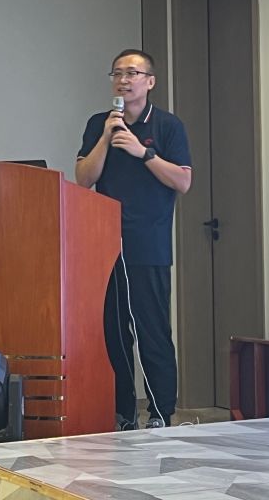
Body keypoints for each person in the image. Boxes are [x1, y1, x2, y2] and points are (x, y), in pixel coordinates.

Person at [76, 49, 192, 429]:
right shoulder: (100, 124)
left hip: (149, 244)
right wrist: (106, 138)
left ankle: (160, 413)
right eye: (117, 74)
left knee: (152, 331)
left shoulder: (168, 126)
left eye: (132, 73)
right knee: (114, 333)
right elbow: (84, 178)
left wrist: (144, 153)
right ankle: (124, 413)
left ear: (150, 81)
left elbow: (183, 181)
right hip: (106, 246)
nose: (123, 81)